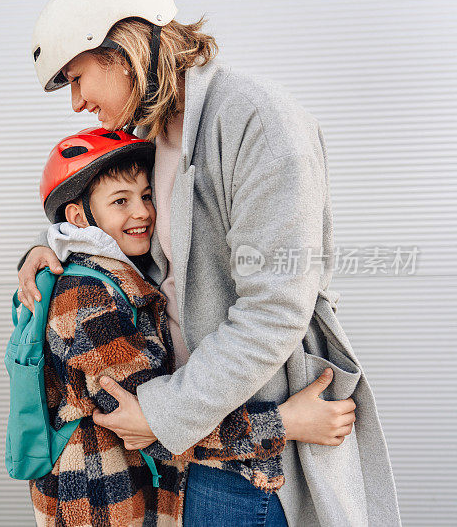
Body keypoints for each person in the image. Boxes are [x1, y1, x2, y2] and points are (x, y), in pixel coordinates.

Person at [19, 0, 401, 525]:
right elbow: (121, 232)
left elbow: (275, 310)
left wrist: (161, 413)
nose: (78, 103)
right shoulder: (154, 135)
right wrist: (58, 246)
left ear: (122, 50)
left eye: (77, 78)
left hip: (249, 465)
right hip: (187, 451)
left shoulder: (260, 123)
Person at [27, 127, 360, 527]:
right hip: (105, 507)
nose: (142, 213)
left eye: (147, 196)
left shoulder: (122, 272)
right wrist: (286, 423)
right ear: (79, 217)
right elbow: (155, 423)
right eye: (121, 200)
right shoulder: (88, 299)